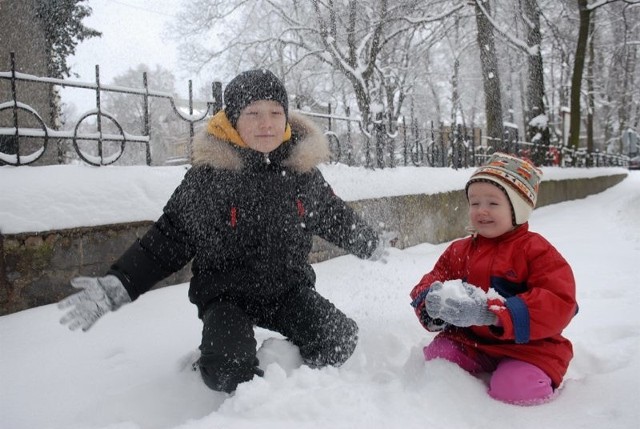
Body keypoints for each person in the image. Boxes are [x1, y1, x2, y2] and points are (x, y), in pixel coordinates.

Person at [58, 69, 393, 394]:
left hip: (287, 290)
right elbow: (167, 239)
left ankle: (292, 377)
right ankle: (210, 361)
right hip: (227, 295)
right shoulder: (209, 179)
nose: (267, 123)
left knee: (340, 339)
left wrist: (368, 242)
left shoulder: (301, 172)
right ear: (232, 119)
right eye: (253, 113)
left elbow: (332, 215)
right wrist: (121, 284)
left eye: (276, 112)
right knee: (228, 371)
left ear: (287, 118)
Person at [409, 152, 577, 405]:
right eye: (474, 203)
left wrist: (491, 314)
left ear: (517, 209)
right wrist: (432, 303)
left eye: (493, 203)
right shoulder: (459, 250)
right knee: (438, 358)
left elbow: (558, 301)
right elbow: (433, 279)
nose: (481, 211)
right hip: (472, 341)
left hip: (530, 347)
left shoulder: (536, 250)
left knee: (515, 388)